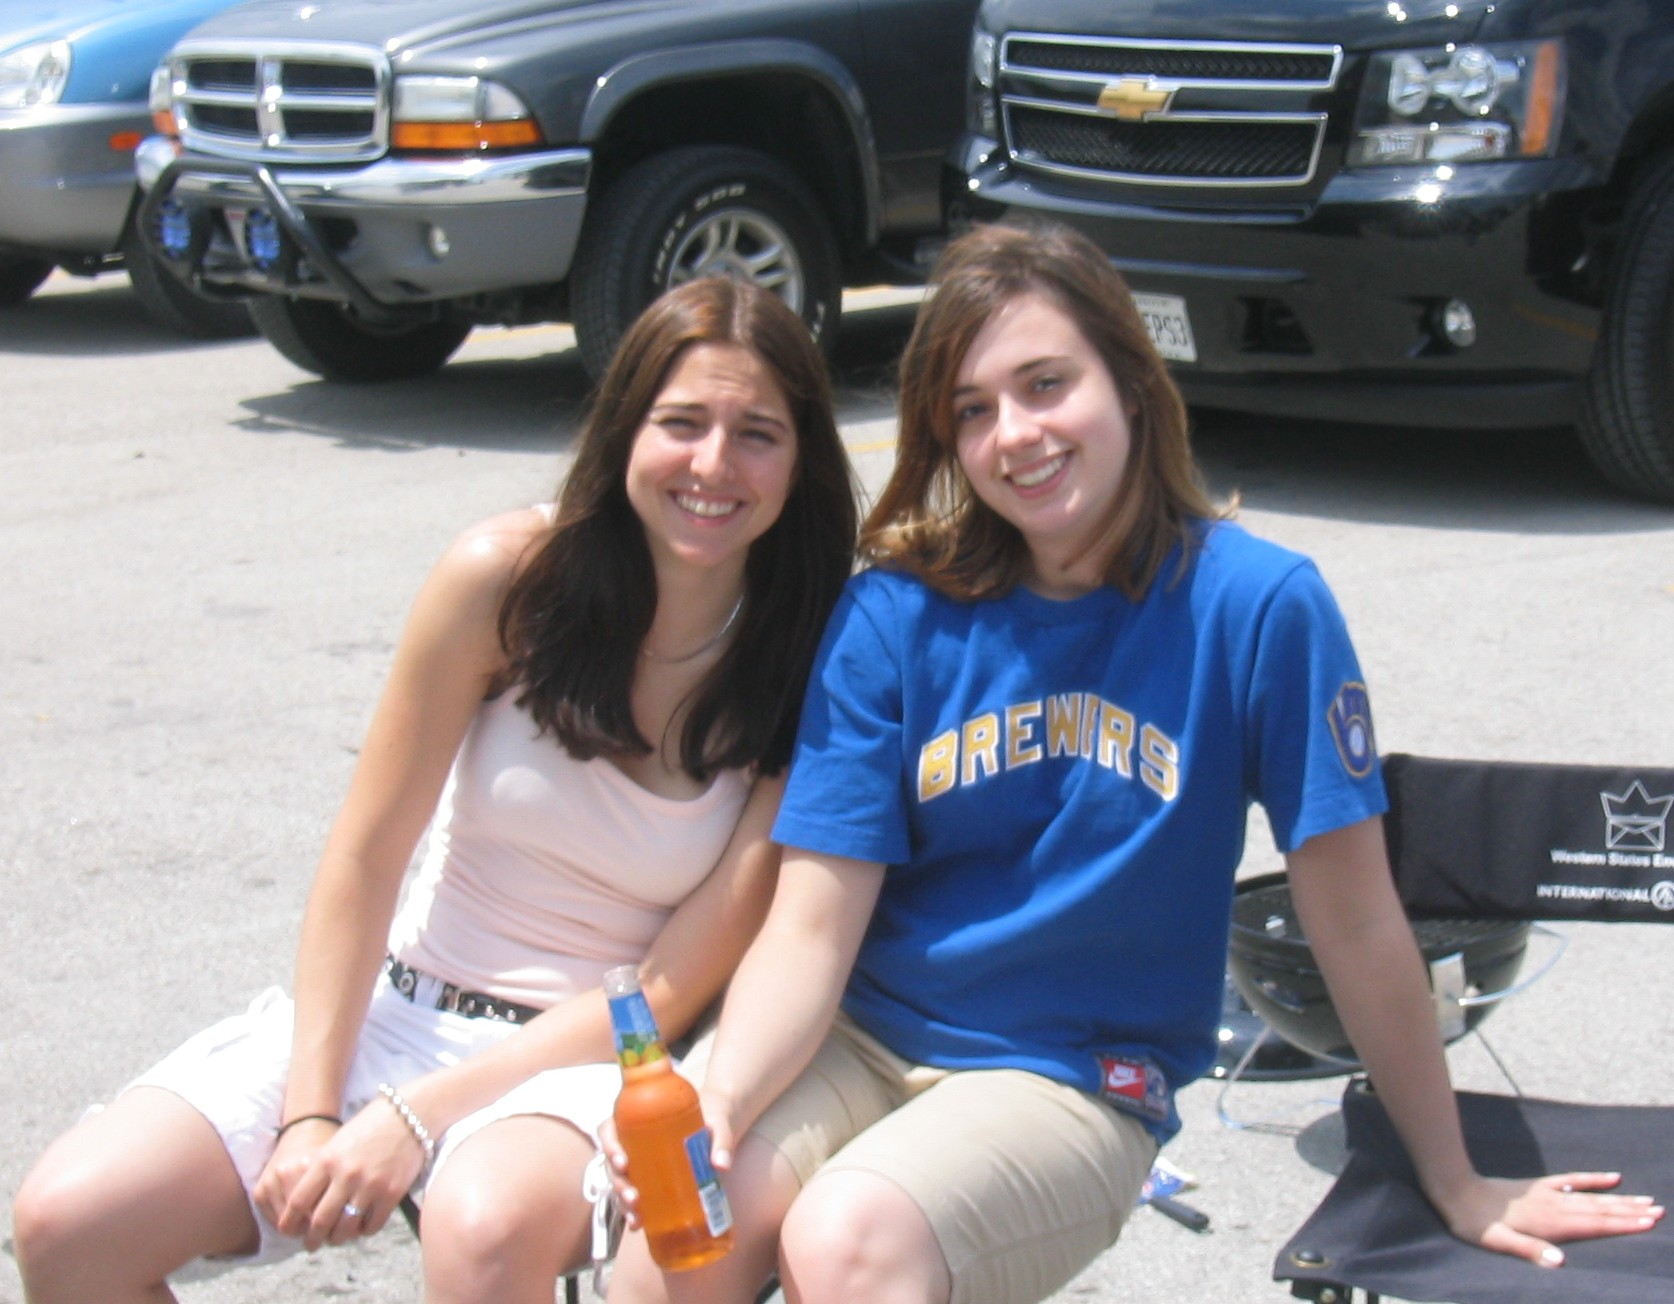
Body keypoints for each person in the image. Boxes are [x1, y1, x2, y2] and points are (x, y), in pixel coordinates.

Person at [601, 222, 1665, 1304]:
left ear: (1131, 381)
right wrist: (721, 1099)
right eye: (972, 409)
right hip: (859, 1037)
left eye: (1045, 384)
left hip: (1071, 1077)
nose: (1015, 434)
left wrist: (1455, 1179)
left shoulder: (1257, 608)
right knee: (670, 1255)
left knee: (847, 1242)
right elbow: (811, 926)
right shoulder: (895, 612)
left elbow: (1353, 920)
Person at [13, 276, 858, 1304]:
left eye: (757, 434)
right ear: (625, 428)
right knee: (67, 1223)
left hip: (591, 1056)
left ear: (802, 458)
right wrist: (312, 1112)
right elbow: (367, 856)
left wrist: (418, 1115)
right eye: (681, 422)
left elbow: (673, 988)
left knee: (482, 1225)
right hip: (399, 1005)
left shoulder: (812, 656)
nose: (714, 464)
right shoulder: (509, 579)